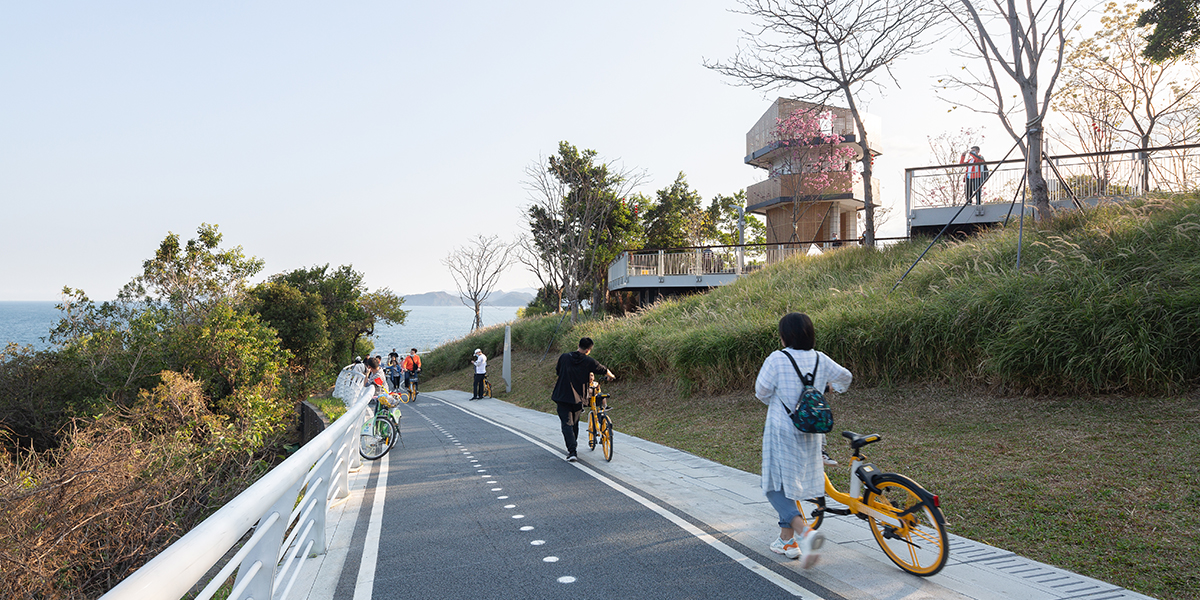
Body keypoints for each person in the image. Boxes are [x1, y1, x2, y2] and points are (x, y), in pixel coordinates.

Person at [755, 312, 852, 568]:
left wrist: (777, 400)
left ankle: (806, 533)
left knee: (773, 486)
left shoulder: (777, 358)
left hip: (782, 430)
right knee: (791, 485)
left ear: (784, 336)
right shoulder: (820, 358)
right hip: (812, 431)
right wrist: (829, 389)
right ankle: (787, 542)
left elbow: (761, 391)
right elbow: (846, 377)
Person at [552, 337, 615, 462]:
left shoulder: (564, 357)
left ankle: (572, 451)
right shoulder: (588, 361)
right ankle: (572, 449)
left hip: (562, 396)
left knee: (567, 424)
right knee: (573, 424)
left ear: (578, 345)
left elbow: (558, 372)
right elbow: (603, 370)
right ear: (588, 350)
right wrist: (611, 376)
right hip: (578, 398)